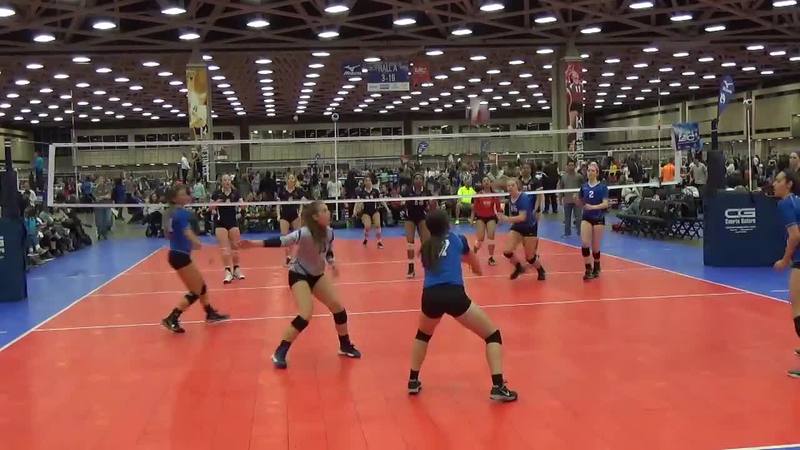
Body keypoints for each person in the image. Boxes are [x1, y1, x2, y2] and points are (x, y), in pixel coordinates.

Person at [407, 210, 517, 401]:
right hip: (454, 295)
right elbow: (472, 261)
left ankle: (413, 380)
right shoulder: (458, 239)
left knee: (423, 335)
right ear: (446, 224)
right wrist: (477, 270)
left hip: (430, 296)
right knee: (492, 335)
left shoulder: (426, 247)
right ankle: (498, 386)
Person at [241, 201, 361, 368]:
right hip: (299, 274)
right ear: (315, 216)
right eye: (324, 210)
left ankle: (345, 345)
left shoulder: (330, 233)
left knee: (338, 308)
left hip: (317, 275)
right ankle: (280, 351)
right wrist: (255, 244)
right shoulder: (304, 233)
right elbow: (283, 241)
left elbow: (328, 251)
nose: (329, 212)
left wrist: (332, 262)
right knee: (305, 314)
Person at [161, 185, 229, 333]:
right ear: (175, 198)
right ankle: (172, 317)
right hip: (180, 255)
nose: (187, 196)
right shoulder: (181, 214)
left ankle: (209, 312)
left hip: (176, 254)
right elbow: (187, 231)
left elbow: (167, 234)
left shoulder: (169, 213)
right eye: (183, 194)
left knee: (201, 286)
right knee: (196, 290)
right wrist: (197, 243)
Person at [772, 169, 800, 378]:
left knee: (797, 308)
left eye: (778, 180)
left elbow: (795, 235)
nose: (774, 183)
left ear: (789, 184)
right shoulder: (797, 201)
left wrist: (785, 259)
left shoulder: (785, 204)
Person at [498, 177, 546, 281]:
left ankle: (540, 270)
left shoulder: (523, 198)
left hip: (529, 227)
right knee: (507, 251)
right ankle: (518, 267)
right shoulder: (510, 197)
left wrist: (507, 219)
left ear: (517, 186)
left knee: (530, 257)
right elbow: (506, 206)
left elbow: (522, 217)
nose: (510, 187)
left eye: (513, 185)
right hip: (517, 227)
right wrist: (500, 214)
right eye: (508, 186)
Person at [211, 174, 245, 284]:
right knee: (225, 249)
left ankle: (236, 269)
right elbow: (210, 207)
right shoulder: (216, 193)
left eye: (228, 180)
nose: (227, 182)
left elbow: (243, 205)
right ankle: (228, 272)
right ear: (221, 182)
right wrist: (217, 203)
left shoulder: (236, 193)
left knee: (235, 248)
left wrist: (241, 204)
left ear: (231, 181)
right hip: (220, 223)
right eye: (224, 180)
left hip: (233, 222)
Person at [579, 162, 610, 280]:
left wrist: (592, 207)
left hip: (598, 218)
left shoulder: (602, 187)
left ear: (597, 173)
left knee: (595, 247)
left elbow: (605, 204)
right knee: (585, 243)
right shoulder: (584, 187)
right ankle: (588, 269)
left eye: (592, 170)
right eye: (588, 170)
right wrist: (577, 201)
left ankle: (597, 265)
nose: (590, 172)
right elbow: (581, 201)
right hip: (586, 218)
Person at [403, 173, 436, 278]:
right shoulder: (407, 191)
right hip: (410, 218)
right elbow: (401, 203)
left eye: (420, 178)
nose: (418, 180)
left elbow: (432, 206)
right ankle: (411, 268)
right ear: (413, 180)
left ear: (423, 181)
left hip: (422, 217)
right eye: (416, 178)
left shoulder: (427, 192)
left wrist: (432, 205)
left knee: (426, 243)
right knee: (410, 243)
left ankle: (428, 266)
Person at [471, 176, 501, 266]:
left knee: (491, 237)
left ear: (490, 183)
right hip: (480, 217)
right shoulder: (478, 195)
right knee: (480, 238)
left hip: (491, 217)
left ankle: (491, 258)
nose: (486, 182)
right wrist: (472, 219)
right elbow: (474, 209)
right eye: (484, 181)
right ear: (482, 184)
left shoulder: (494, 195)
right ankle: (473, 254)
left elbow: (498, 208)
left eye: (488, 180)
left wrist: (500, 218)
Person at [279, 173, 307, 266]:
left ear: (294, 181)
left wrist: (300, 212)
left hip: (295, 215)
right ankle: (288, 257)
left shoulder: (298, 190)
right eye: (289, 178)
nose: (291, 180)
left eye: (292, 178)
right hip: (284, 215)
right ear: (287, 180)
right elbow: (278, 203)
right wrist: (278, 214)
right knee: (285, 238)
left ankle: (298, 258)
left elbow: (303, 200)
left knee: (298, 237)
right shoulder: (282, 190)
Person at [354, 172, 384, 249]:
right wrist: (355, 211)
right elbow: (357, 202)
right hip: (365, 212)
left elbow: (381, 200)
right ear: (364, 182)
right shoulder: (361, 192)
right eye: (366, 181)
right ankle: (366, 238)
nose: (368, 182)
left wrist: (387, 208)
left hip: (375, 211)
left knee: (378, 225)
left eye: (369, 180)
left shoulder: (376, 191)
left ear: (371, 182)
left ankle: (379, 241)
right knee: (367, 226)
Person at [558, 158, 583, 237]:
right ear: (567, 166)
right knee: (567, 218)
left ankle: (580, 232)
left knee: (579, 218)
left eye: (572, 165)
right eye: (570, 165)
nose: (571, 167)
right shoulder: (563, 177)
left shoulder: (579, 176)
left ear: (575, 166)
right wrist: (560, 199)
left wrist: (582, 199)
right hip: (567, 200)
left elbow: (583, 188)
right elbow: (561, 188)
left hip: (577, 201)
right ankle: (567, 233)